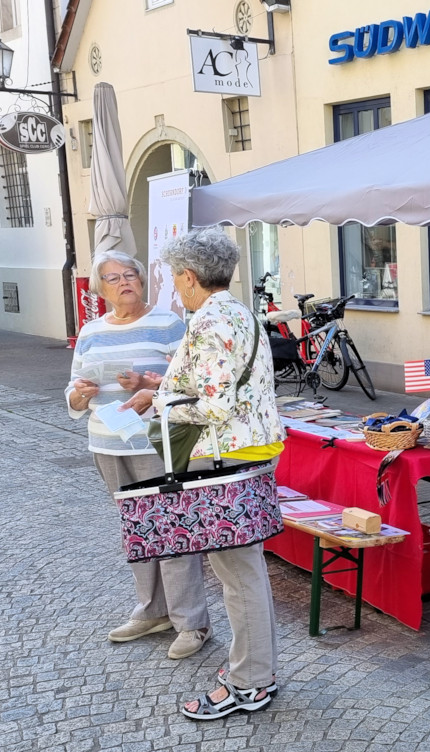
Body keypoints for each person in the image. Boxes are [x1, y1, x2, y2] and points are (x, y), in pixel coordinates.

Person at [126, 227, 286, 721]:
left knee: (238, 576)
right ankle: (254, 669)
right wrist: (168, 384)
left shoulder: (209, 320)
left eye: (175, 278)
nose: (174, 286)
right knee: (244, 571)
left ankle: (251, 681)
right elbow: (222, 386)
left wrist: (158, 400)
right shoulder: (239, 313)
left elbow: (214, 405)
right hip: (244, 451)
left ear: (190, 276)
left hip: (226, 457)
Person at [66, 250, 212, 660]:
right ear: (100, 288)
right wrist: (78, 395)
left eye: (130, 274)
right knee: (137, 528)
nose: (124, 282)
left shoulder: (168, 323)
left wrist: (151, 384)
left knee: (171, 527)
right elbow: (73, 388)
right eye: (113, 278)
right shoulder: (91, 330)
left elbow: (191, 381)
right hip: (107, 442)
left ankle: (192, 622)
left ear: (143, 281)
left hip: (157, 441)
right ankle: (153, 610)